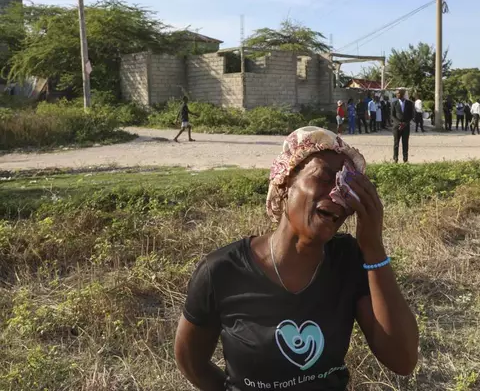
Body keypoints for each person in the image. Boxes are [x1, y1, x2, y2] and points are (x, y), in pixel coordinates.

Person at [174, 127, 419, 391]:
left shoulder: (347, 260)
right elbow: (191, 361)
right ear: (284, 183)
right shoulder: (222, 271)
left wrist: (373, 249)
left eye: (347, 185)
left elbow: (402, 360)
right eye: (325, 179)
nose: (337, 195)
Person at [391, 89, 414, 163]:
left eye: (398, 93)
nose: (397, 95)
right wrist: (399, 123)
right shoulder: (394, 103)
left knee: (405, 143)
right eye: (396, 94)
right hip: (396, 127)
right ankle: (395, 158)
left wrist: (405, 123)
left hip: (406, 126)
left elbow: (412, 115)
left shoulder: (409, 103)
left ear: (402, 94)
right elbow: (392, 115)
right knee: (396, 143)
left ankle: (405, 159)